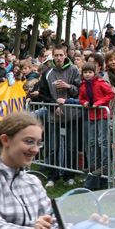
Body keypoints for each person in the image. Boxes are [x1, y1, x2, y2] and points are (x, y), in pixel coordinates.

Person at [39, 45, 82, 188]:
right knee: (53, 148)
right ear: (53, 56)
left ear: (65, 55)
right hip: (54, 117)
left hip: (72, 116)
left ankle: (70, 176)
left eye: (61, 55)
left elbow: (79, 91)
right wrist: (54, 106)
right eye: (56, 55)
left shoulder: (74, 70)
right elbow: (43, 93)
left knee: (71, 148)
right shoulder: (48, 72)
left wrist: (68, 86)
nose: (58, 58)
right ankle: (52, 176)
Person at [77, 61, 114, 188]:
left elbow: (110, 94)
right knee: (92, 141)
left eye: (90, 72)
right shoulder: (83, 85)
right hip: (91, 115)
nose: (87, 74)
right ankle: (94, 163)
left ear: (94, 73)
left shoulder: (100, 82)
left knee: (102, 141)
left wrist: (99, 103)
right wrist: (85, 103)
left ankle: (105, 164)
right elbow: (81, 98)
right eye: (85, 72)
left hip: (102, 115)